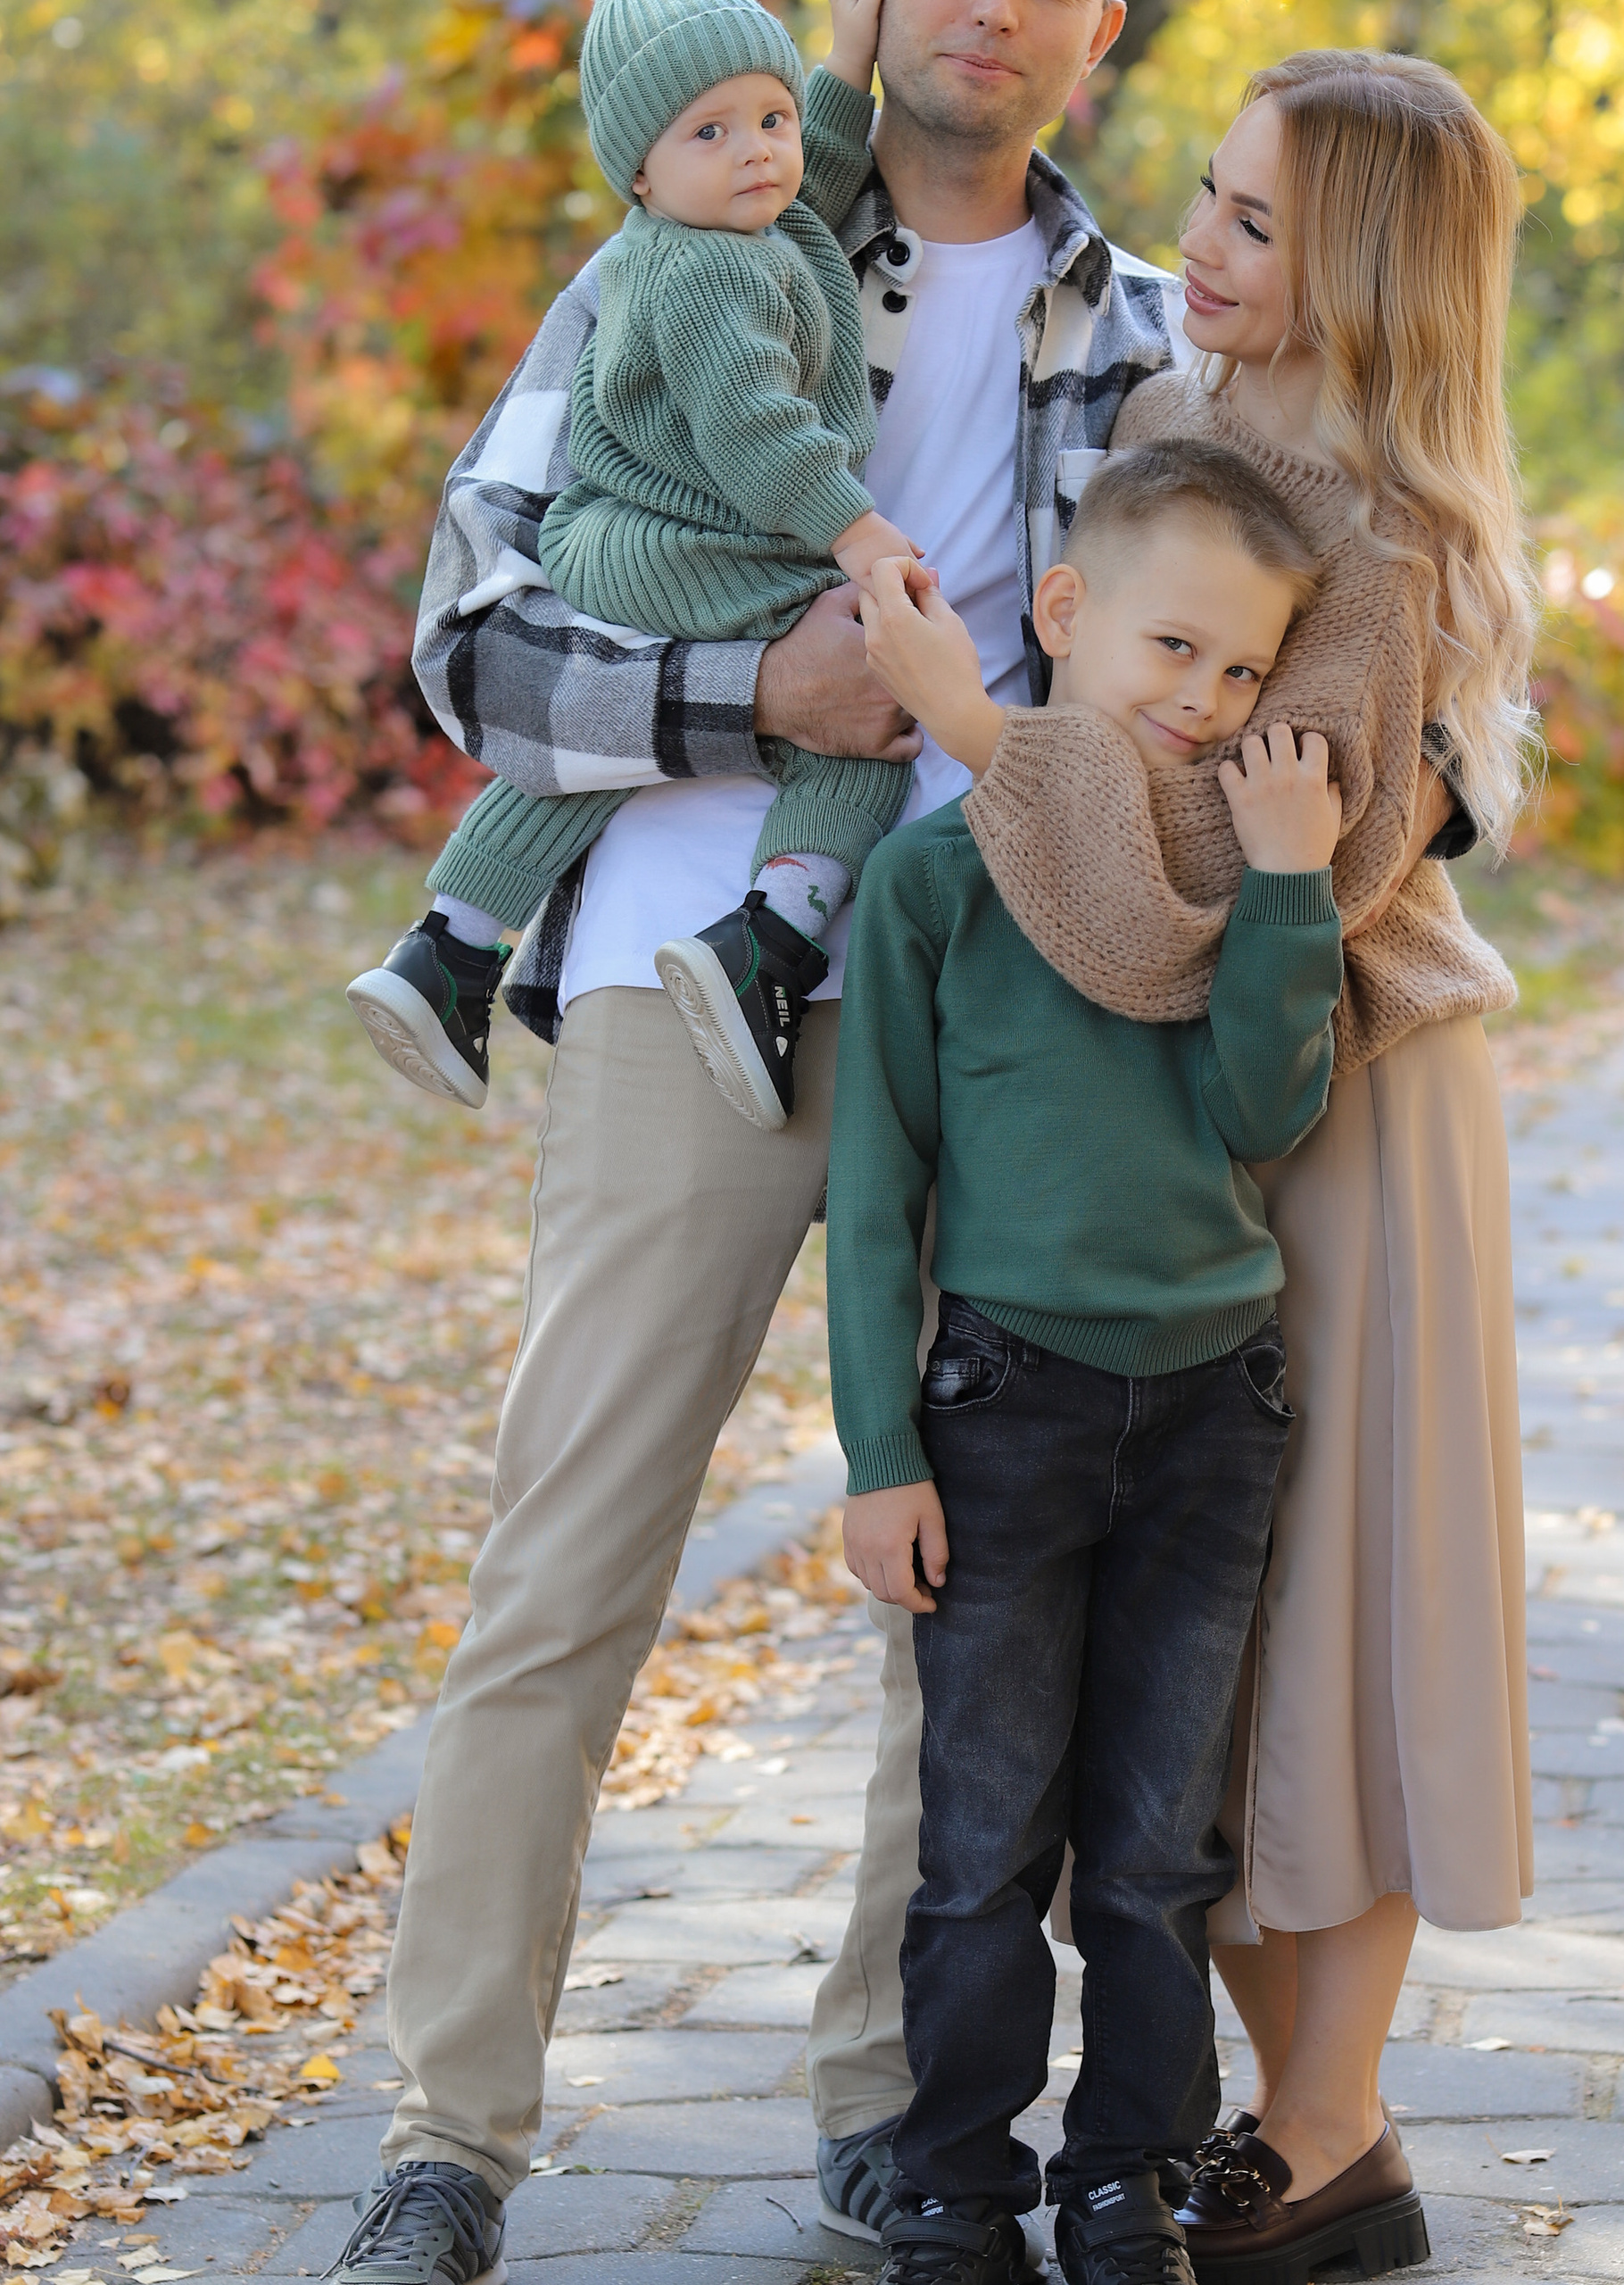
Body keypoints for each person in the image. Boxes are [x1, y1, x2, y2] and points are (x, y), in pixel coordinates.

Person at [321, 0, 1182, 2272]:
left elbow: (1278, 649)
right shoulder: (680, 231)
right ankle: (447, 2138)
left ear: (1097, 24)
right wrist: (759, 697)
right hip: (683, 975)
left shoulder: (1157, 337)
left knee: (978, 1591)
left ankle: (900, 2112)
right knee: (568, 1551)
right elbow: (470, 645)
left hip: (1009, 1018)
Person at [815, 47, 1537, 2285]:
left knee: (1342, 1612)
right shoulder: (1163, 445)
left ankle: (1322, 2129)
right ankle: (1313, 2127)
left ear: (1366, 272)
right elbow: (1085, 846)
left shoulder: (1371, 552)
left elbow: (1166, 925)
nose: (1191, 251)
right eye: (1204, 202)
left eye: (1248, 224)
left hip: (1337, 1114)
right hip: (1164, 1159)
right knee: (1203, 1671)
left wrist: (961, 720)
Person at [830, 439, 1340, 2285]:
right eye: (1171, 651)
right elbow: (876, 1194)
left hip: (1213, 1413)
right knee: (978, 1842)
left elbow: (1266, 1104)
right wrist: (877, 1449)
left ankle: (1120, 2175)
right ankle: (956, 2183)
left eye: (1239, 673)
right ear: (1062, 614)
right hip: (1004, 1412)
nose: (1205, 704)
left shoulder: (1227, 884)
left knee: (1148, 1852)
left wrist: (1286, 886)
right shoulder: (934, 888)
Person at [348, 0, 918, 1133]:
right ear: (641, 177)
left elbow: (831, 155)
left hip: (640, 538)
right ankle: (769, 944)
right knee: (869, 708)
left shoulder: (760, 222)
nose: (758, 147)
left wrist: (845, 61)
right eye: (710, 133)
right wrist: (856, 533)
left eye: (768, 116)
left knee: (622, 750)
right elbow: (760, 437)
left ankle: (448, 946)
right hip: (687, 543)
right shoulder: (706, 273)